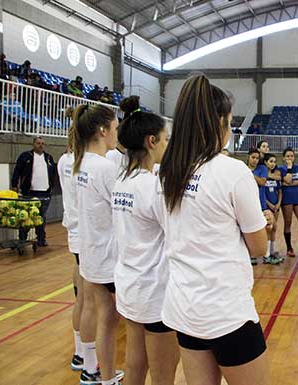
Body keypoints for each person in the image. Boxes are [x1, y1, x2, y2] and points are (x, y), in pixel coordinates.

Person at [158, 75, 271, 385]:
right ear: (217, 123)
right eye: (230, 123)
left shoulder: (168, 172)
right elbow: (259, 248)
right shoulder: (233, 171)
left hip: (184, 308)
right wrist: (263, 223)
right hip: (226, 311)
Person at [112, 105, 179, 385]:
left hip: (130, 284)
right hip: (154, 291)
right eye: (164, 139)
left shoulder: (121, 182)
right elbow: (176, 232)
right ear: (151, 141)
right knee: (163, 373)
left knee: (134, 363)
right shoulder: (153, 187)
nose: (167, 145)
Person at [71, 104, 124, 385]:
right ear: (103, 130)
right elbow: (122, 212)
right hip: (107, 256)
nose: (117, 134)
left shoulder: (82, 163)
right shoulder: (104, 167)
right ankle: (104, 375)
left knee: (105, 317)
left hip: (91, 253)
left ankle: (101, 374)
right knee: (112, 320)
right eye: (115, 128)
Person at [57, 121, 89, 372]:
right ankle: (88, 362)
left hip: (75, 234)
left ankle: (81, 354)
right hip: (89, 236)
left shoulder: (63, 160)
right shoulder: (91, 163)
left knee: (82, 296)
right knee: (90, 302)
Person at [11, 136, 57, 247]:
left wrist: (51, 187)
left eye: (42, 143)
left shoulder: (48, 158)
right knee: (26, 216)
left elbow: (53, 173)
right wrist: (14, 185)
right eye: (38, 143)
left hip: (44, 193)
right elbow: (17, 171)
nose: (40, 145)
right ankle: (22, 239)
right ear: (33, 144)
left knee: (41, 217)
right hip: (30, 193)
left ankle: (41, 239)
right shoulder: (26, 156)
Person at [247, 148, 275, 265]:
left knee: (268, 227)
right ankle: (251, 255)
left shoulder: (262, 169)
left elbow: (262, 182)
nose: (255, 160)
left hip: (261, 203)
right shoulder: (242, 168)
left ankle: (267, 255)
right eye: (253, 157)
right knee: (248, 229)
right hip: (247, 203)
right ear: (248, 157)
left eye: (257, 158)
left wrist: (249, 174)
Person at [263, 153, 284, 264]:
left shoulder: (276, 176)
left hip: (276, 206)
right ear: (265, 162)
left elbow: (280, 191)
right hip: (267, 206)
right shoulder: (262, 175)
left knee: (274, 228)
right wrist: (269, 204)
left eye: (274, 162)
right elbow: (261, 193)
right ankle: (266, 255)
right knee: (268, 228)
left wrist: (278, 203)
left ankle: (272, 251)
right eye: (271, 161)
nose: (273, 164)